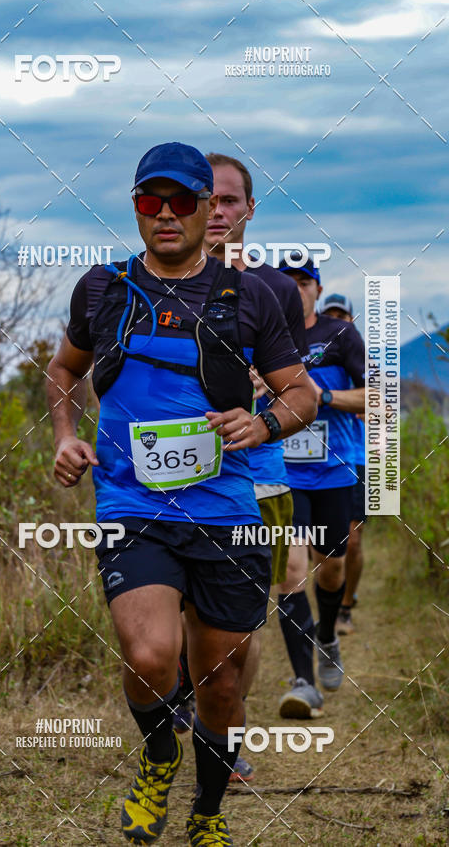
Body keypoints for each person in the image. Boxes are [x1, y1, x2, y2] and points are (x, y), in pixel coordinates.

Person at [46, 142, 317, 846]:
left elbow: (301, 395)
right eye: (148, 202)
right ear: (135, 207)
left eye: (181, 202)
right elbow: (61, 371)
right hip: (131, 505)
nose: (164, 216)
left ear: (206, 209)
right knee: (148, 655)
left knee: (222, 685)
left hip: (226, 511)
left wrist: (260, 425)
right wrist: (65, 435)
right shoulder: (102, 289)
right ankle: (160, 758)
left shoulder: (255, 296)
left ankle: (207, 814)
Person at [200, 153, 307, 783]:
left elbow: (298, 388)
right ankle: (192, 701)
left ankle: (231, 730)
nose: (216, 212)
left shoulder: (271, 290)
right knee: (181, 614)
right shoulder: (154, 282)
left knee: (241, 623)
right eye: (206, 198)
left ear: (249, 210)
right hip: (172, 480)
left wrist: (256, 394)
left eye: (229, 201)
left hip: (257, 474)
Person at [275, 254, 365, 718]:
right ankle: (303, 682)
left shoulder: (340, 335)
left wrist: (321, 397)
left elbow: (378, 398)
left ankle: (328, 632)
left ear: (316, 288)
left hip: (333, 469)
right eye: (285, 281)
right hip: (281, 473)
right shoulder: (261, 336)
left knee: (331, 565)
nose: (295, 288)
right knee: (290, 570)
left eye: (304, 281)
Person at [321, 293, 367, 636]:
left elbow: (378, 404)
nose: (338, 321)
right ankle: (325, 606)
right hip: (313, 459)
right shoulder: (316, 355)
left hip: (356, 456)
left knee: (351, 540)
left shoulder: (359, 358)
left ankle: (347, 607)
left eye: (343, 316)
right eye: (331, 316)